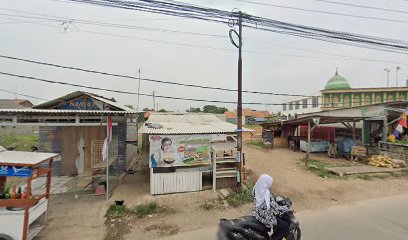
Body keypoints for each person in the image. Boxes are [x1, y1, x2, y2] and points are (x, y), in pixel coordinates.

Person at [252, 174, 290, 240]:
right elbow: (275, 207)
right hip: (265, 217)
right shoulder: (266, 194)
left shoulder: (257, 188)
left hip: (256, 213)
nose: (270, 184)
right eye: (269, 182)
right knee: (285, 226)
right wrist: (286, 208)